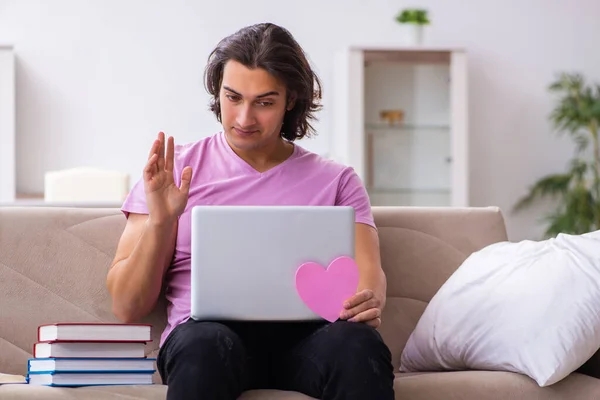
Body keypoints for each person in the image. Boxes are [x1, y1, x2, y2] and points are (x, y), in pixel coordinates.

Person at [106, 22, 395, 400]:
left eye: (264, 102)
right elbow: (127, 306)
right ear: (218, 92)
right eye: (233, 97)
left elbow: (367, 278)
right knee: (205, 345)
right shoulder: (173, 171)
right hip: (206, 338)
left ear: (291, 100)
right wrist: (163, 219)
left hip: (309, 342)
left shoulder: (337, 181)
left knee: (359, 344)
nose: (243, 119)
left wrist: (367, 300)